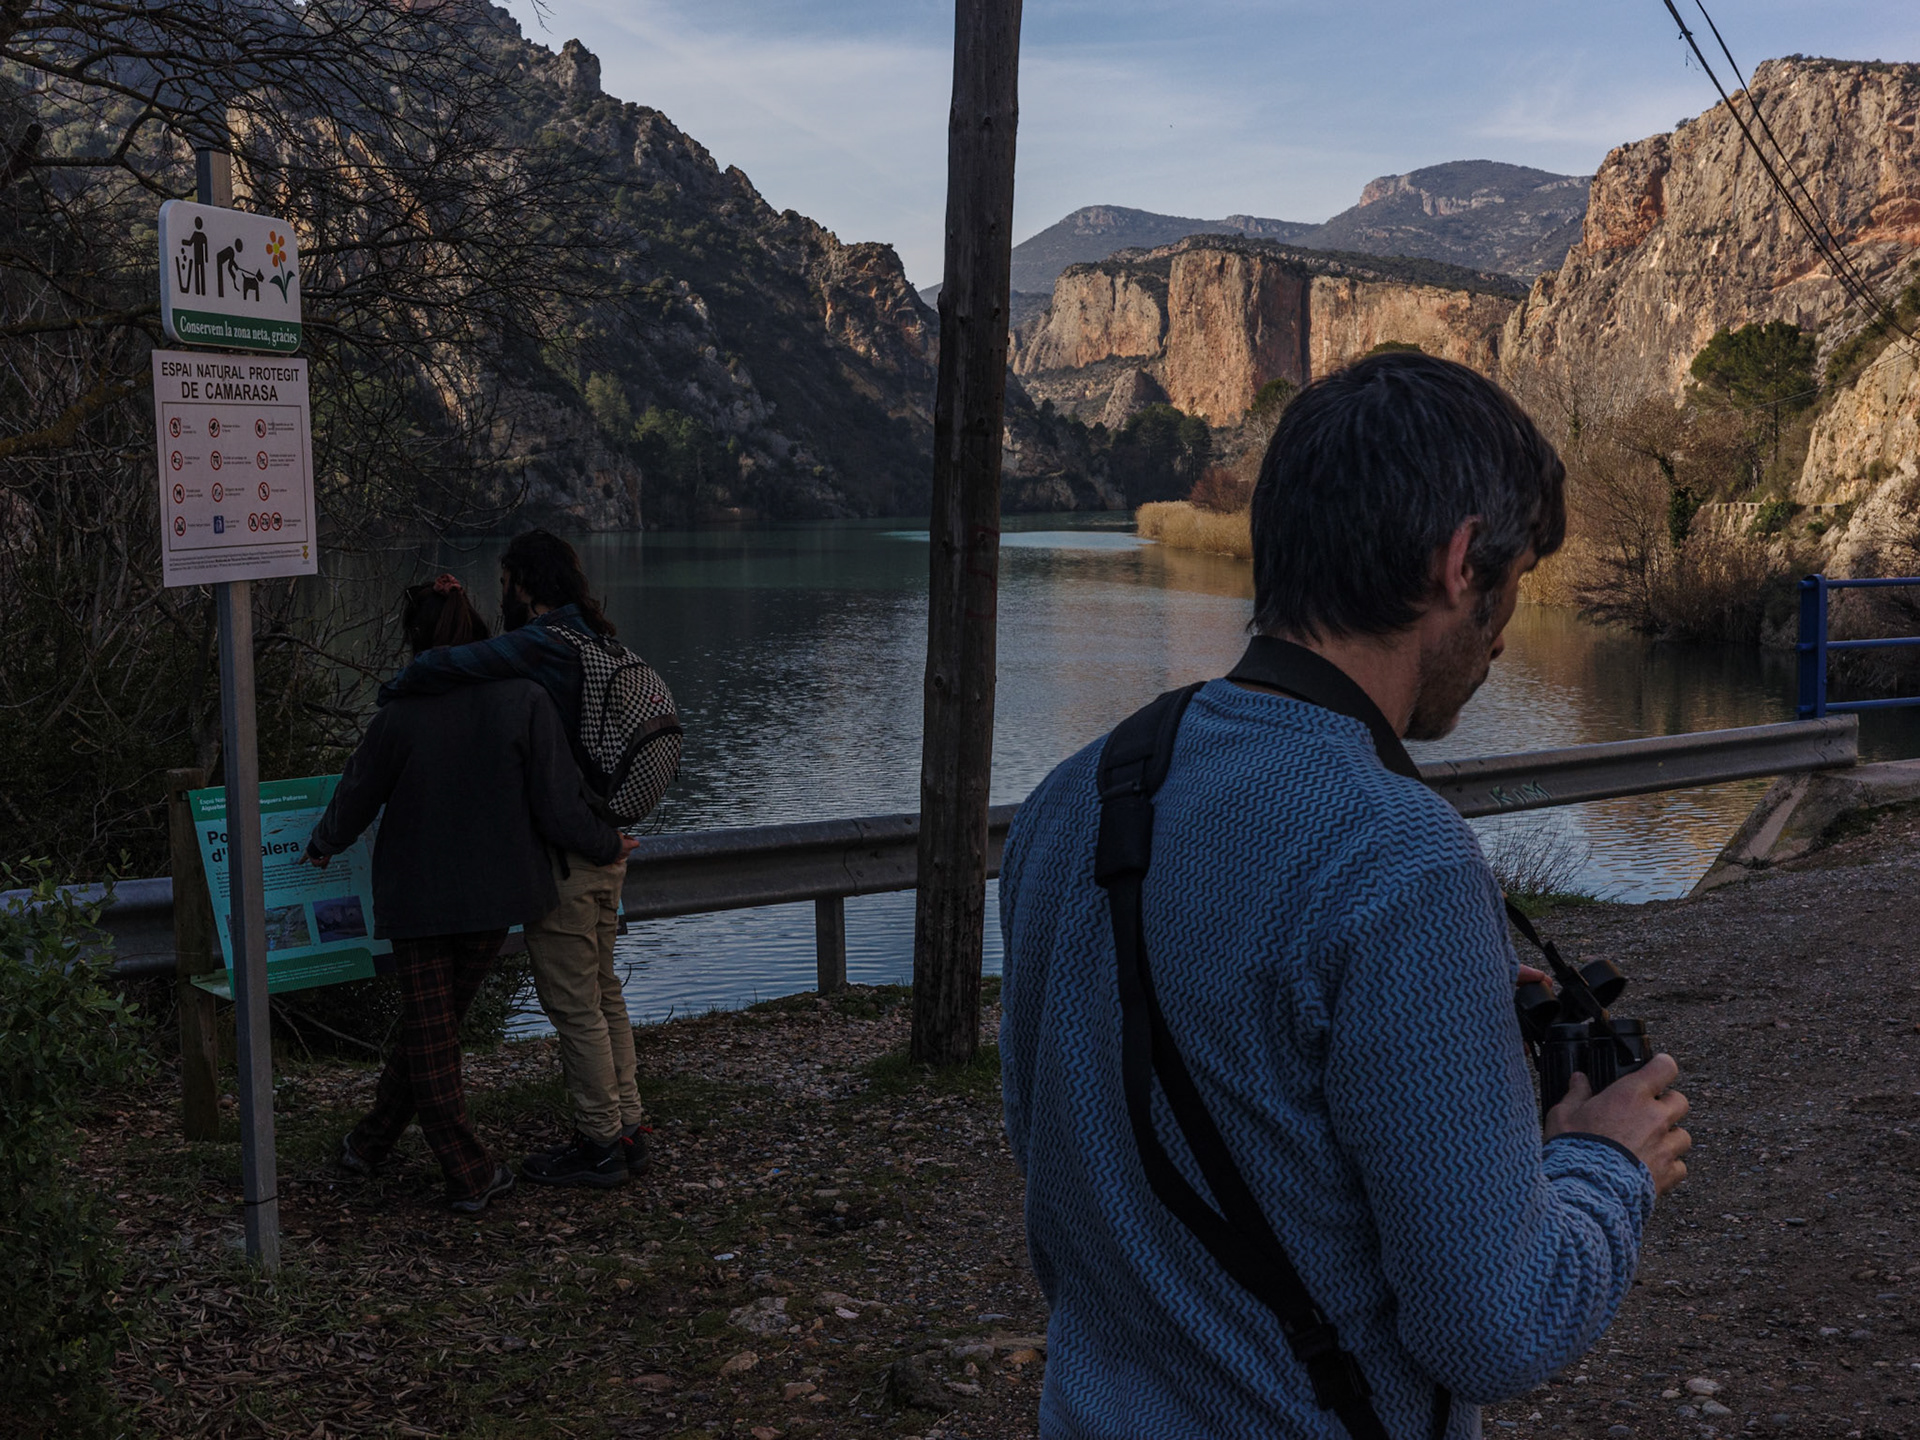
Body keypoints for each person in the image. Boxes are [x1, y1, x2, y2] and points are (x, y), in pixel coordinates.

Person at [998, 352, 1691, 1439]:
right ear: (1462, 563)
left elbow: (1075, 1182)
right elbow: (1494, 1328)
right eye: (1517, 584)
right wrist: (1607, 1161)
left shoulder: (1068, 799)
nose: (1508, 633)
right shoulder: (1396, 855)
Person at [305, 575, 634, 1213]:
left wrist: (322, 843)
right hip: (494, 899)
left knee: (431, 1034)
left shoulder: (401, 711)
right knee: (433, 1032)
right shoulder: (524, 699)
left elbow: (358, 792)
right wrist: (606, 843)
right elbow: (557, 801)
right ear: (477, 631)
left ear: (419, 639)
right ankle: (369, 1143)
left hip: (418, 900)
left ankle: (469, 1173)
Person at [379, 530, 675, 1188]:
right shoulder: (601, 641)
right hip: (607, 843)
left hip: (570, 856)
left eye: (507, 582)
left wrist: (398, 689)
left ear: (526, 586)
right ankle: (628, 1130)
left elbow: (456, 665)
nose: (503, 595)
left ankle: (600, 1142)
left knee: (574, 1006)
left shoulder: (545, 643)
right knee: (605, 995)